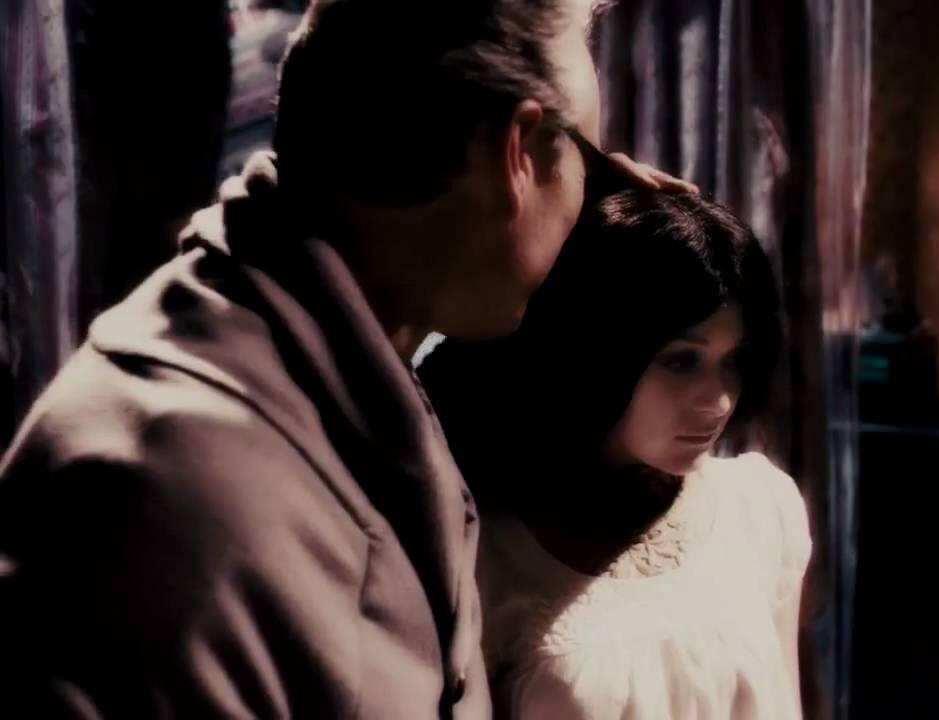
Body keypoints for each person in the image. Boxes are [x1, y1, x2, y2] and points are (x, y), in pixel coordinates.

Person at [0, 1, 690, 716]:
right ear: (518, 154)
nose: (595, 198)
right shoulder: (177, 499)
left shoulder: (327, 352)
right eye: (590, 164)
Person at [420, 187, 812, 719]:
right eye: (682, 362)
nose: (719, 400)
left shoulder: (760, 509)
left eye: (734, 361)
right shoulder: (485, 551)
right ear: (605, 354)